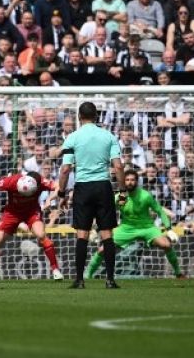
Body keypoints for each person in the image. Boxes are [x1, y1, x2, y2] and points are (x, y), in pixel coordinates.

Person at [57, 101, 125, 289]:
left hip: (83, 188)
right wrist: (122, 191)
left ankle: (79, 279)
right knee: (107, 234)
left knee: (82, 234)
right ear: (96, 116)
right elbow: (118, 166)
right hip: (103, 187)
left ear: (79, 117)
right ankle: (110, 280)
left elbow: (65, 169)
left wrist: (62, 193)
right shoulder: (108, 136)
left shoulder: (73, 137)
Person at [86, 170, 185, 279]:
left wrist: (169, 229)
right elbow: (105, 214)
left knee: (166, 244)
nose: (129, 182)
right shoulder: (120, 197)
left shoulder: (145, 195)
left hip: (147, 228)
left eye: (132, 180)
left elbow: (159, 211)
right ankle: (87, 275)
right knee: (102, 250)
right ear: (123, 182)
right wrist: (95, 230)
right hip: (126, 229)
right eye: (127, 180)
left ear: (137, 182)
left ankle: (178, 273)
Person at [0, 172, 64, 283]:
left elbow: (59, 186)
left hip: (31, 212)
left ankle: (55, 270)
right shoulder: (12, 181)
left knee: (41, 235)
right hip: (12, 213)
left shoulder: (41, 181)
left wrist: (50, 198)